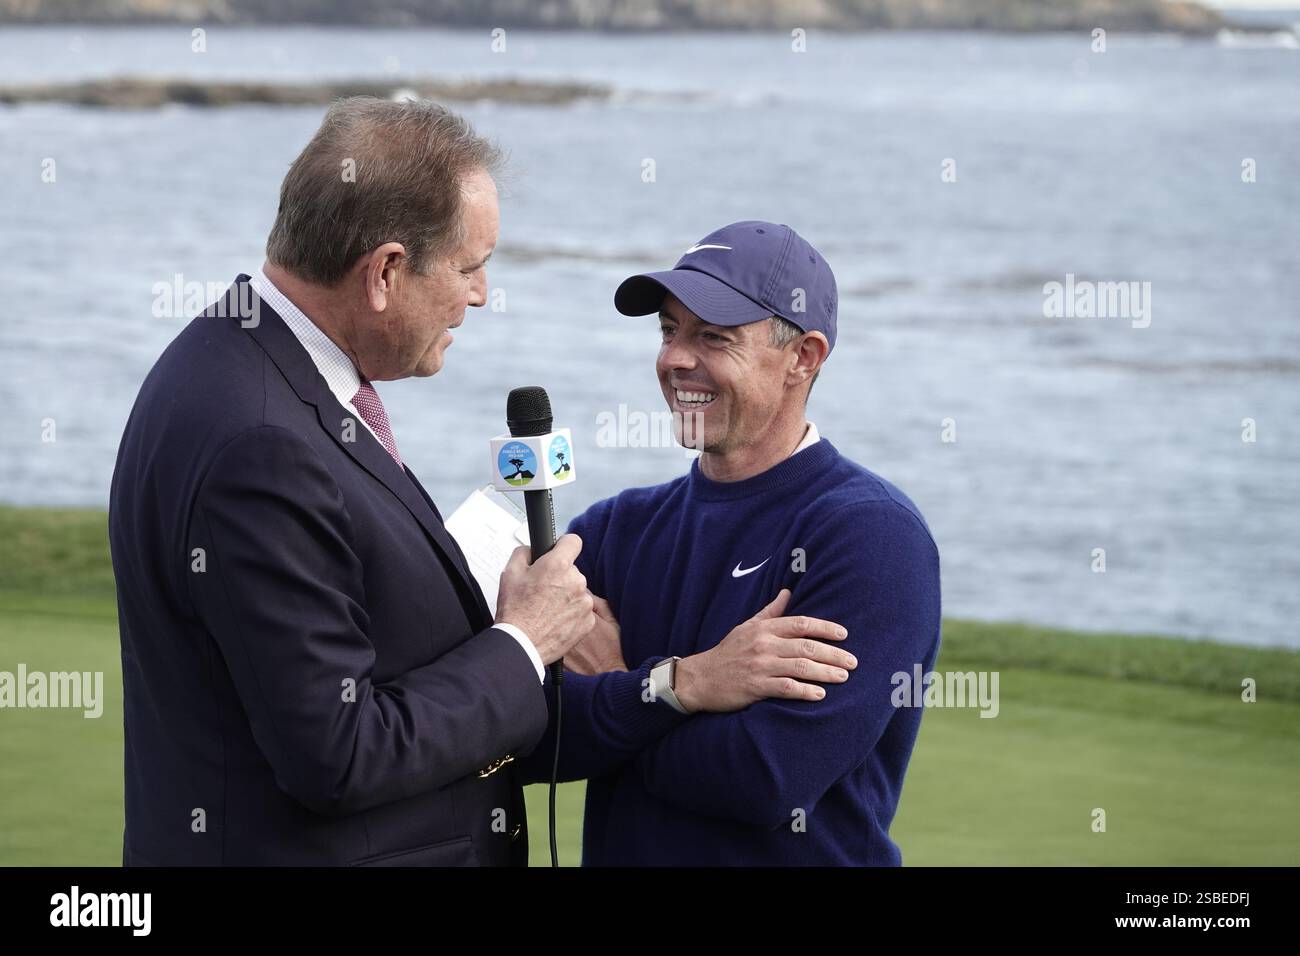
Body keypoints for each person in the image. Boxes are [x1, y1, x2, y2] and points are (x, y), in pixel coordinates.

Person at [108, 97, 595, 866]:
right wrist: (523, 642)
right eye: (470, 267)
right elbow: (337, 755)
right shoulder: (262, 442)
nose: (480, 295)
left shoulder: (233, 355)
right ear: (386, 272)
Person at [517, 221, 942, 865]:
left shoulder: (870, 536)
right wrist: (688, 684)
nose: (674, 359)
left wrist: (621, 685)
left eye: (713, 337)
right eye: (668, 330)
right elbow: (525, 744)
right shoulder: (612, 529)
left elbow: (763, 779)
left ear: (804, 357)